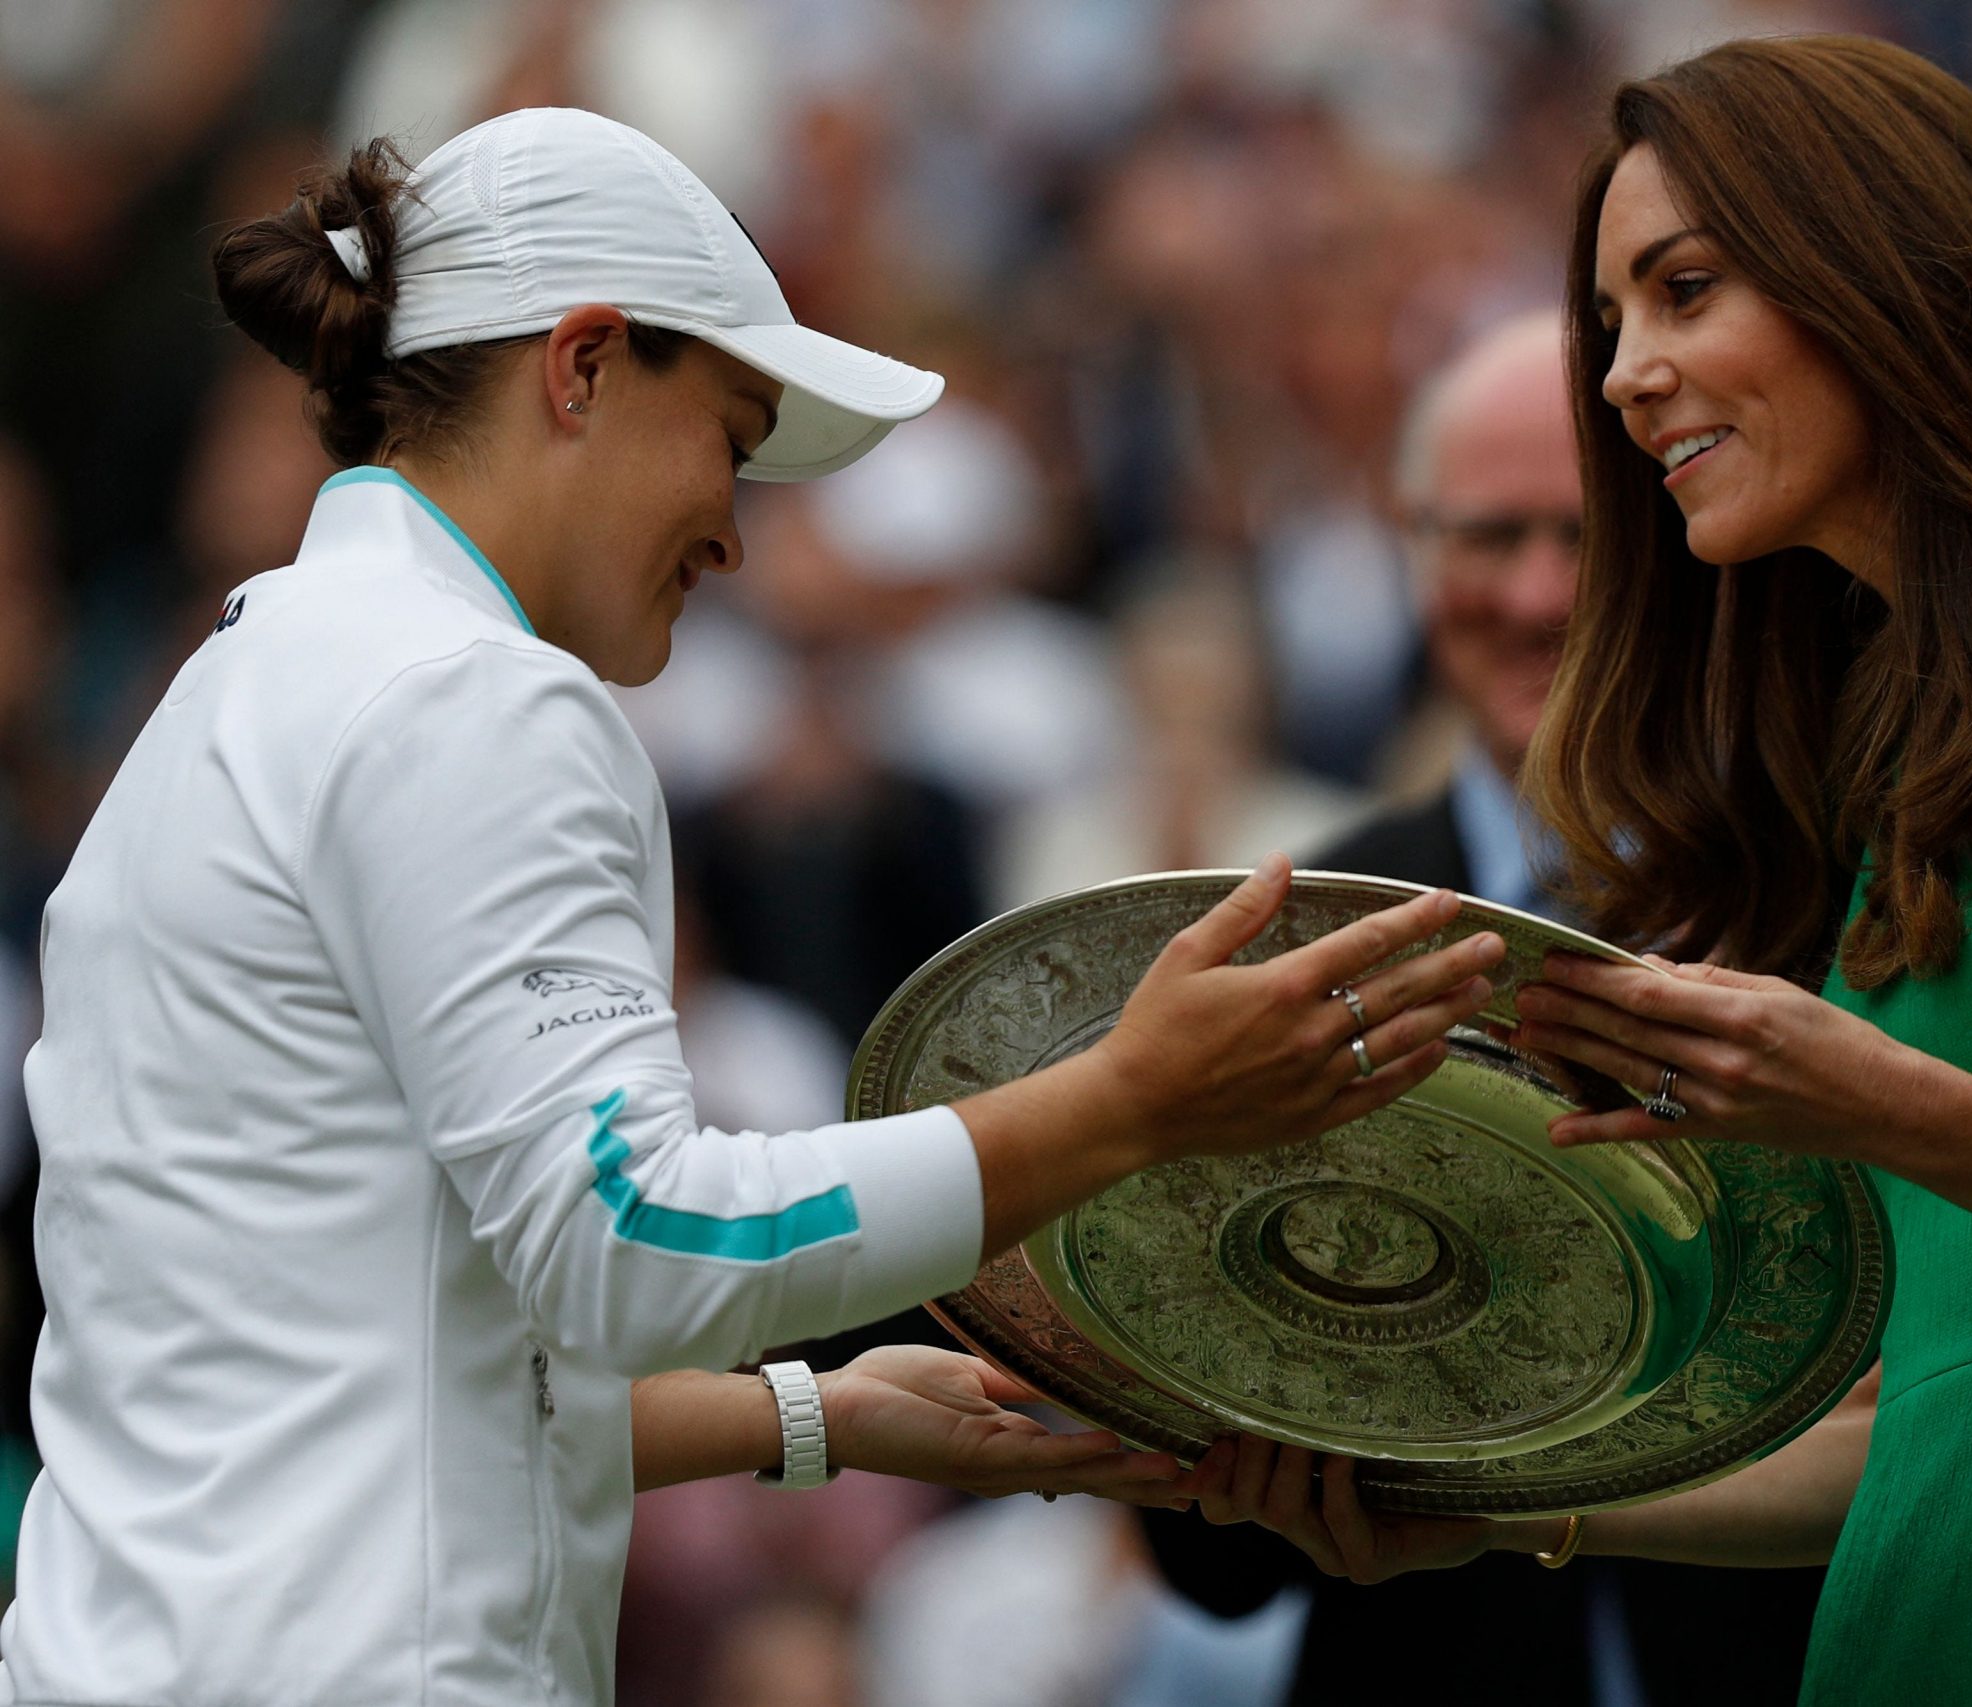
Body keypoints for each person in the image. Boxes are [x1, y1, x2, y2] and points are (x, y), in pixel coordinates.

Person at [0, 108, 1507, 1706]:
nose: (734, 527)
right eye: (729, 432)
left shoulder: (230, 685)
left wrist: (819, 1417)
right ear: (580, 366)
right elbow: (633, 1240)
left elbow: (368, 1365)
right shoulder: (470, 699)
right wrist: (1132, 1101)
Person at [1189, 36, 1972, 1704]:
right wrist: (1495, 1510)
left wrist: (1879, 1100)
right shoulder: (1887, 762)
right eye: (1614, 323)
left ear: (1883, 271)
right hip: (1910, 1647)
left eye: (1685, 290)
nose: (1626, 377)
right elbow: (1901, 1428)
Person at [1142, 311, 1824, 1707]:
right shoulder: (1288, 939)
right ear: (1412, 550)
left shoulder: (1835, 898)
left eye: (1582, 540)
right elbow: (1206, 1558)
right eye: (1486, 537)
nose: (1531, 596)